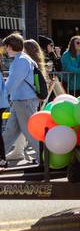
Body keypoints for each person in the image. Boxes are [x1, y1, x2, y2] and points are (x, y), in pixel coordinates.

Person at [3, 34, 41, 164]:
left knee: (30, 132)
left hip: (24, 101)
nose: (5, 50)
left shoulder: (20, 61)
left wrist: (2, 95)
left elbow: (12, 83)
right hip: (22, 101)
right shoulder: (24, 59)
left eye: (6, 47)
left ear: (10, 46)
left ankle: (44, 159)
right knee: (10, 131)